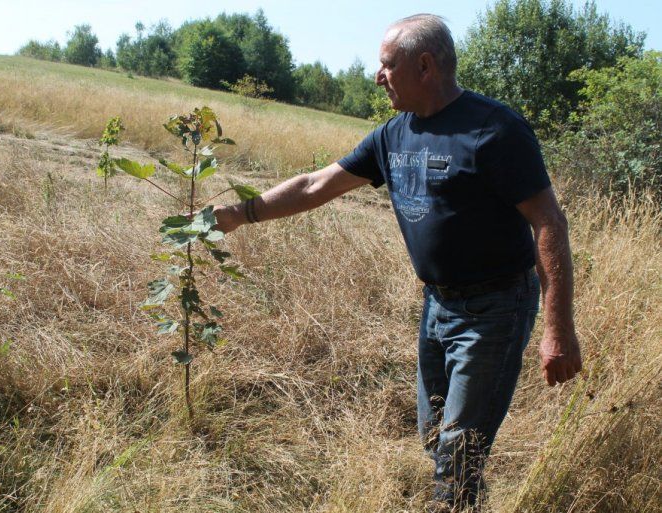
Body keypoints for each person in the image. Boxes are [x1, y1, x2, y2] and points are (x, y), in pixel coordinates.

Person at [213, 13, 582, 512]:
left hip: (495, 308)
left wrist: (558, 327)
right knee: (437, 435)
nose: (377, 75)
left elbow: (549, 223)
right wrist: (241, 213)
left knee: (458, 449)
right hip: (437, 305)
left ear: (425, 65)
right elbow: (316, 185)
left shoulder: (495, 130)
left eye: (387, 64)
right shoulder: (394, 134)